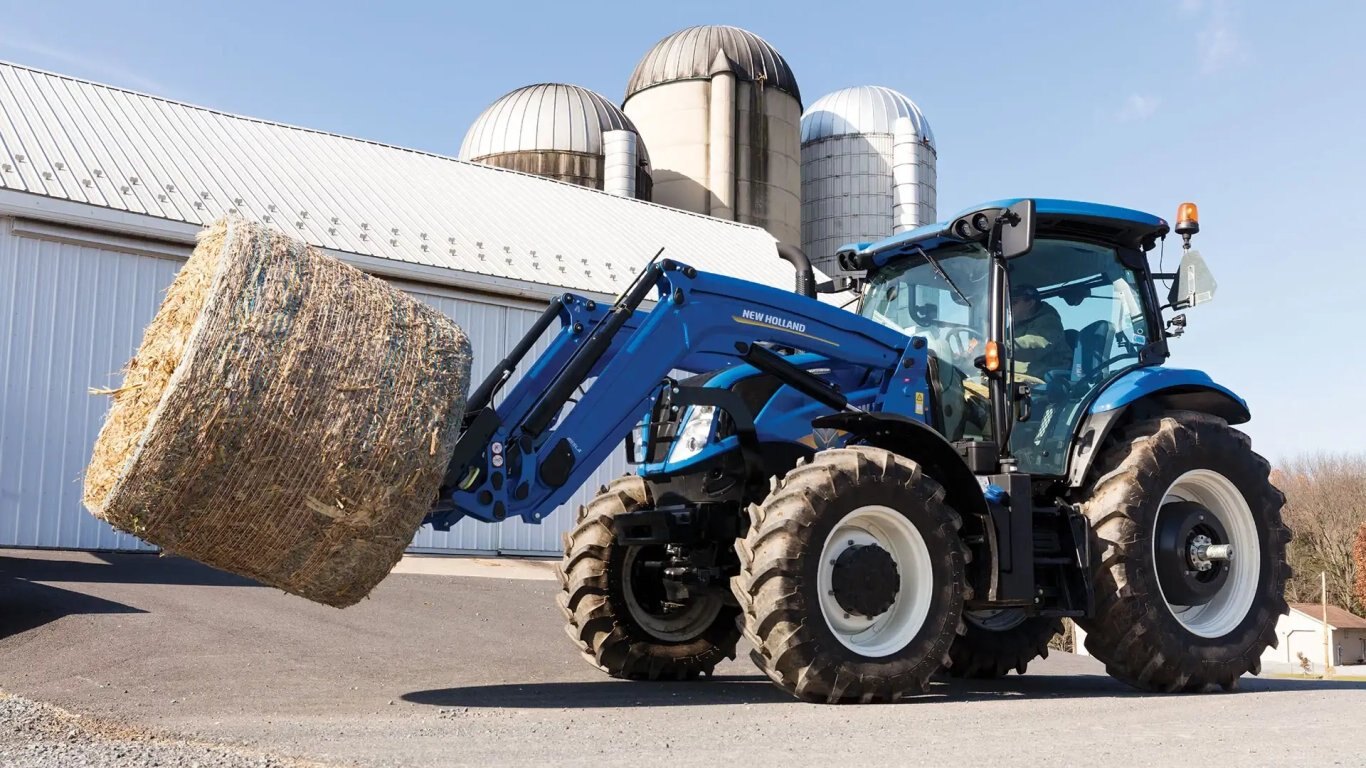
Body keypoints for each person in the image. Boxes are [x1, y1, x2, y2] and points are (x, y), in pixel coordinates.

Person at [1010, 285, 1070, 377]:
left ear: (1030, 303)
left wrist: (999, 348)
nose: (1008, 307)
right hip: (1024, 375)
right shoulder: (1015, 327)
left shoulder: (1049, 322)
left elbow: (1034, 345)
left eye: (1014, 303)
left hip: (1048, 379)